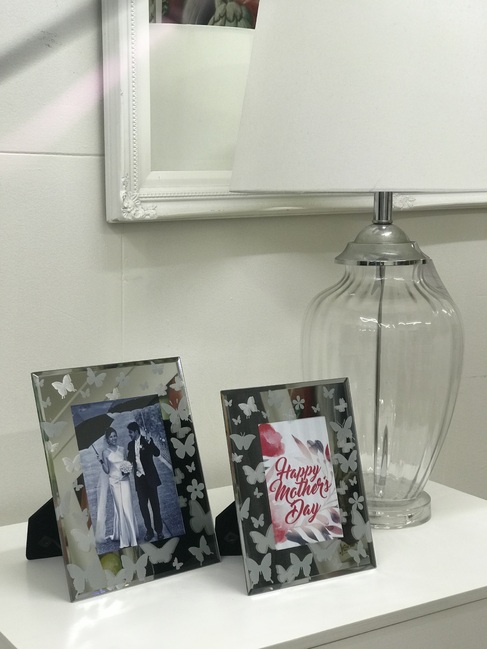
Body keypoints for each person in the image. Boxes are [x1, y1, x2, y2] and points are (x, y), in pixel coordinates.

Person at [98, 428, 138, 549]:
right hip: (114, 482)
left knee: (128, 508)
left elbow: (127, 464)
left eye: (115, 435)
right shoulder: (105, 453)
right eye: (111, 437)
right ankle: (124, 540)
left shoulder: (122, 449)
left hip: (125, 481)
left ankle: (133, 538)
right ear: (107, 439)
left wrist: (127, 472)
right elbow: (107, 470)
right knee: (120, 509)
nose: (114, 438)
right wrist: (101, 462)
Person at [127, 421, 164, 542]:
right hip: (140, 481)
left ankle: (159, 531)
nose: (129, 435)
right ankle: (149, 531)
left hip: (150, 479)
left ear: (136, 431)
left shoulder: (147, 440)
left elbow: (157, 453)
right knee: (143, 507)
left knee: (155, 506)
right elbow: (129, 460)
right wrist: (125, 467)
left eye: (130, 432)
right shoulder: (130, 445)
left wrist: (150, 443)